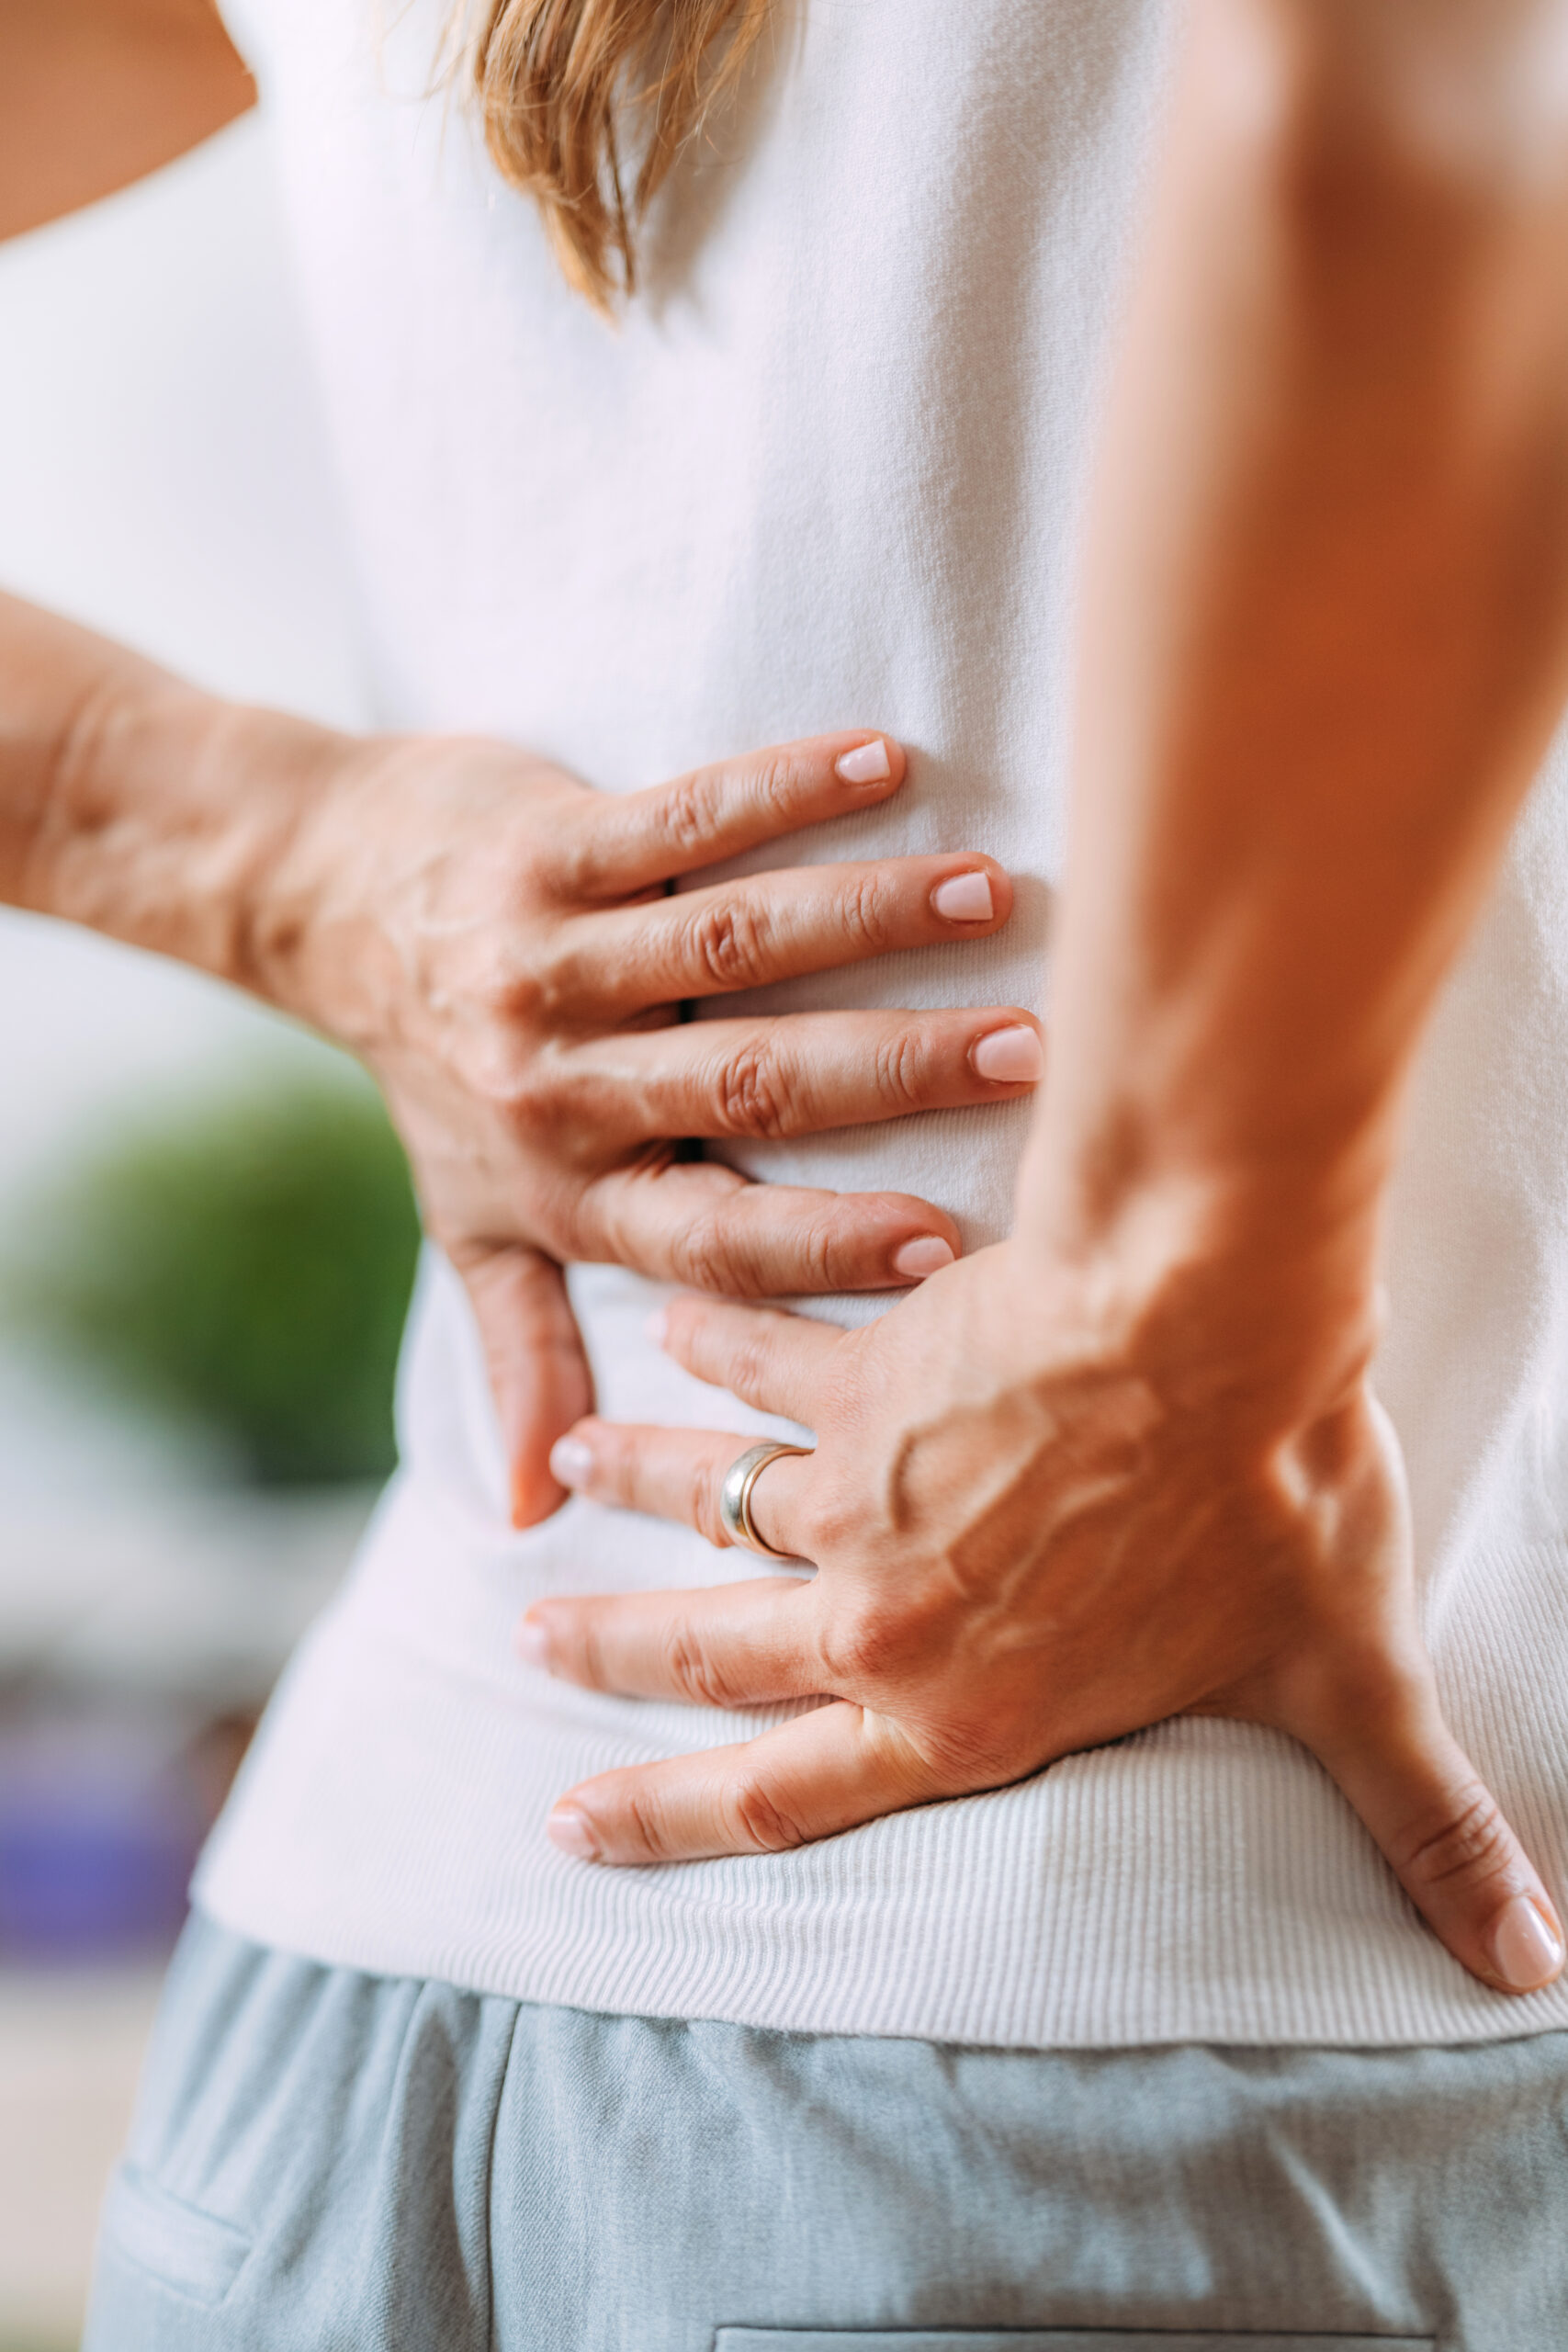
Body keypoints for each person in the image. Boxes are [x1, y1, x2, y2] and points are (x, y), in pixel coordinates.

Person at [1, 0, 1565, 2342]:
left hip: (336, 2067)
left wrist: (223, 827)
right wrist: (1174, 1325)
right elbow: (1413, 121)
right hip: (1149, 2074)